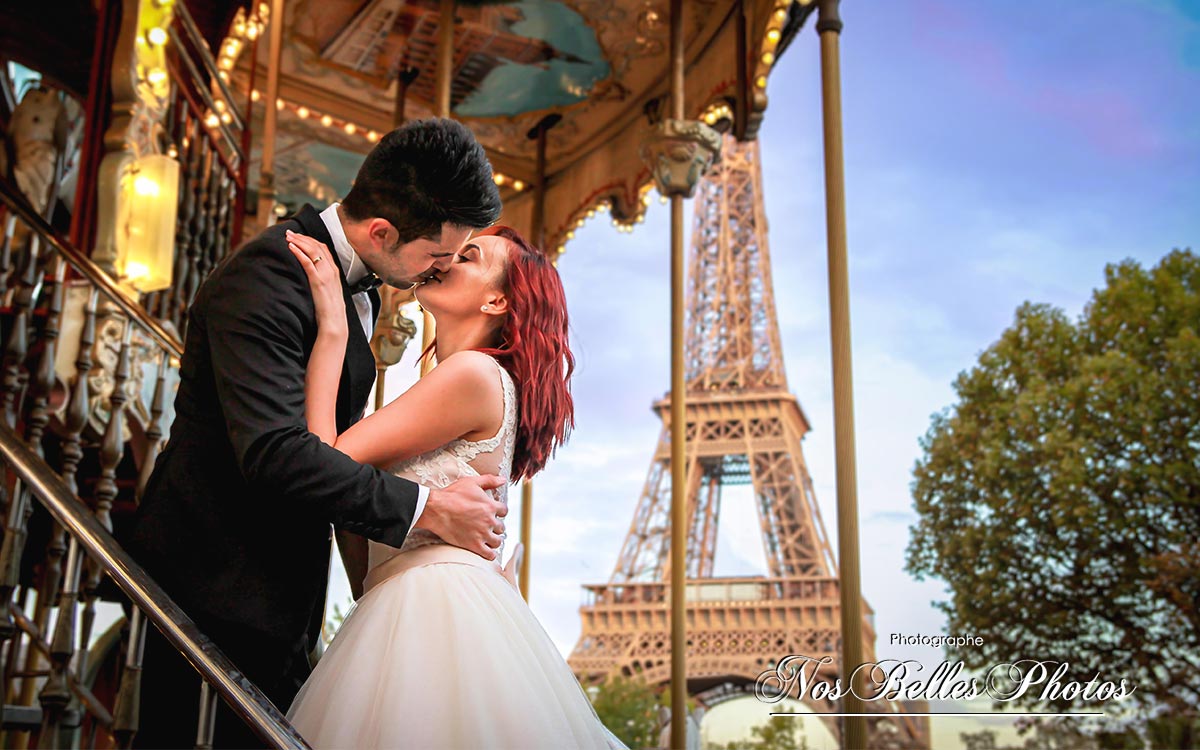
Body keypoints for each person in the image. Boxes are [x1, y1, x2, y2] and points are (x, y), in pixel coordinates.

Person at [126, 119, 506, 749]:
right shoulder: (267, 279)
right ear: (382, 232)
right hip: (213, 587)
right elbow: (276, 454)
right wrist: (428, 508)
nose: (436, 272)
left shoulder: (349, 287)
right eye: (436, 257)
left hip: (279, 595)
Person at [282, 225, 628, 749]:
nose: (447, 261)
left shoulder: (473, 374)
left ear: (496, 300)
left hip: (429, 608)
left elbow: (324, 463)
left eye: (468, 256)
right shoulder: (472, 382)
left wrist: (333, 326)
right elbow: (353, 528)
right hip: (404, 607)